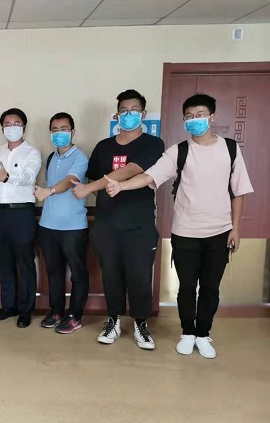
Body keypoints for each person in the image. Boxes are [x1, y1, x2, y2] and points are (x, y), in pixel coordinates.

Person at [104, 94, 253, 358]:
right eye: (189, 116)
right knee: (186, 287)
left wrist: (236, 228)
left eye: (200, 115)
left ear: (212, 117)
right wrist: (121, 185)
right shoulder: (178, 151)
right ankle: (187, 332)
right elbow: (149, 176)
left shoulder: (230, 149)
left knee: (210, 287)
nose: (195, 120)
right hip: (185, 232)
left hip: (219, 231)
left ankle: (203, 334)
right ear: (184, 120)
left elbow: (239, 191)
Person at [73, 89, 164, 350]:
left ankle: (140, 324)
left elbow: (132, 170)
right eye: (124, 110)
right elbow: (91, 175)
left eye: (134, 110)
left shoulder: (152, 144)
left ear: (143, 114)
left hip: (139, 225)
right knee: (111, 275)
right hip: (107, 224)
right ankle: (113, 320)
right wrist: (93, 189)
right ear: (116, 115)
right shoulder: (103, 146)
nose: (128, 114)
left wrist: (90, 189)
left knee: (140, 276)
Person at [33, 112, 89, 334]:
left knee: (77, 273)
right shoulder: (51, 157)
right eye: (55, 130)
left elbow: (70, 181)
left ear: (72, 132)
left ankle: (74, 316)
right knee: (53, 271)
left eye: (64, 129)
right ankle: (56, 311)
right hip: (48, 225)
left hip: (73, 227)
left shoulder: (80, 157)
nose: (59, 134)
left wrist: (49, 191)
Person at [0, 108, 42, 328]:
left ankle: (25, 310)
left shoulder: (32, 152)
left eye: (16, 124)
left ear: (24, 127)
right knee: (4, 262)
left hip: (22, 213)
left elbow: (29, 176)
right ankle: (8, 306)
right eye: (8, 124)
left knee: (25, 262)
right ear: (2, 128)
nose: (12, 128)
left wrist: (7, 176)